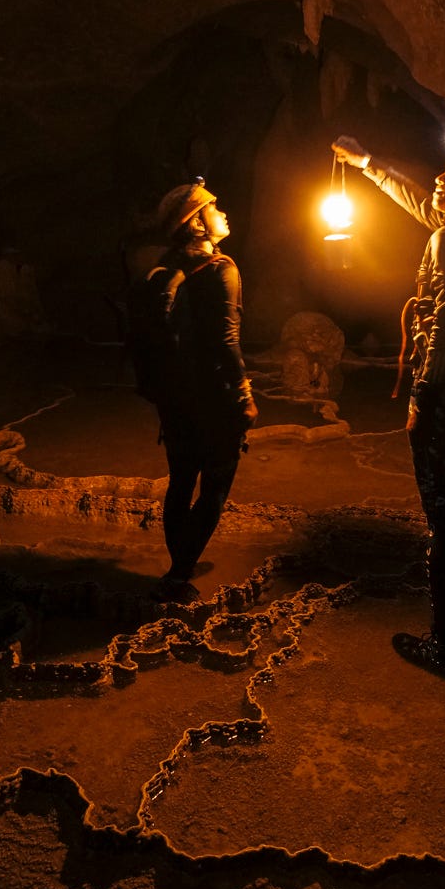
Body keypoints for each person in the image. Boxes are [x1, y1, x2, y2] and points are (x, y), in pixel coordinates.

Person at [332, 133, 445, 678]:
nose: (440, 176)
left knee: (443, 517)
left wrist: (424, 398)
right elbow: (424, 204)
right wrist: (370, 164)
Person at [130, 180, 258, 603]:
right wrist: (244, 394)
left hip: (175, 396)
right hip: (214, 397)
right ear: (198, 222)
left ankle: (178, 562)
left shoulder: (167, 265)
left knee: (181, 480)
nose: (222, 212)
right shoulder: (221, 268)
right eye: (213, 207)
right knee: (216, 487)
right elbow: (226, 340)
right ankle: (179, 571)